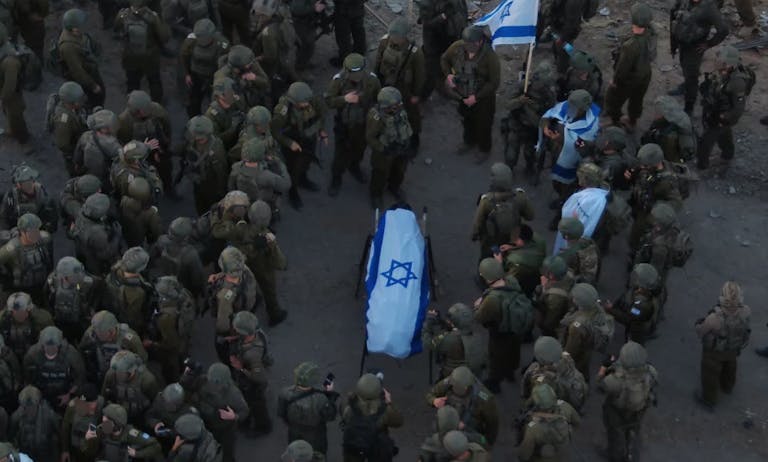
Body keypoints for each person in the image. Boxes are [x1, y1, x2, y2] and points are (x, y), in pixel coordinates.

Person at [441, 25, 501, 162]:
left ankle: (484, 149)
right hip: (462, 93)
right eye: (467, 43)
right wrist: (448, 75)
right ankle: (469, 141)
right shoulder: (457, 47)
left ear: (480, 42)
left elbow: (494, 82)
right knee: (466, 120)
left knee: (484, 125)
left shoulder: (490, 57)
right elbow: (444, 59)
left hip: (483, 99)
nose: (468, 47)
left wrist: (476, 97)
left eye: (472, 44)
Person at [325, 53, 381, 196]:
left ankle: (354, 166)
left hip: (363, 123)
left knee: (359, 149)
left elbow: (378, 99)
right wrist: (344, 99)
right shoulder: (338, 81)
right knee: (340, 154)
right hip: (344, 124)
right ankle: (336, 178)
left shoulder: (372, 80)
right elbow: (328, 101)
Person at [474, 258, 533, 392]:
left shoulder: (493, 299)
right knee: (513, 349)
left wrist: (477, 306)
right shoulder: (511, 281)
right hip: (516, 326)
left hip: (500, 331)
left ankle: (494, 382)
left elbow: (479, 317)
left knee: (495, 356)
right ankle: (510, 371)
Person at [227, 200, 288, 325]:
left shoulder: (240, 226)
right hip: (263, 267)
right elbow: (277, 258)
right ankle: (274, 314)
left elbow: (235, 247)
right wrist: (283, 264)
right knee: (269, 290)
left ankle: (255, 298)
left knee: (250, 283)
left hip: (247, 265)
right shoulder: (267, 237)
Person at [271, 81, 328, 210]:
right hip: (293, 142)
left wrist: (321, 130)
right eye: (303, 102)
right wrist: (290, 143)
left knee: (307, 161)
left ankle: (303, 179)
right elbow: (275, 131)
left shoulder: (312, 99)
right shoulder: (283, 110)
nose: (307, 104)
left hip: (309, 137)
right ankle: (293, 192)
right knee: (293, 169)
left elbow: (322, 114)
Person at [540, 90, 600, 212]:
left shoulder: (591, 126)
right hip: (556, 154)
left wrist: (560, 139)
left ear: (583, 110)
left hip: (572, 164)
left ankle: (562, 210)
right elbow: (550, 115)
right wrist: (545, 126)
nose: (569, 110)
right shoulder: (566, 106)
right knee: (556, 182)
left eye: (574, 108)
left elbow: (582, 147)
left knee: (567, 190)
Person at [597, 341, 658, 461]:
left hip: (617, 411)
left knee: (615, 434)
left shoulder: (615, 381)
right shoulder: (651, 372)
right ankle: (629, 448)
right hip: (639, 409)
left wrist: (604, 368)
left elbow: (600, 384)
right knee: (632, 429)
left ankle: (615, 456)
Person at [694, 281, 751, 409]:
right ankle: (727, 386)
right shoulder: (746, 311)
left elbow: (701, 332)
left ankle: (709, 399)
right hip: (734, 349)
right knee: (730, 366)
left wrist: (697, 325)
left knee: (710, 374)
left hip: (715, 353)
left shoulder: (714, 318)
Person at [697, 45, 753, 171]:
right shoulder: (724, 71)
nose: (717, 62)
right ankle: (728, 154)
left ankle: (702, 165)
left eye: (721, 61)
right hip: (717, 108)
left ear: (730, 64)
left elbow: (738, 109)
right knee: (724, 134)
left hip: (723, 116)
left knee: (706, 141)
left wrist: (722, 118)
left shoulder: (737, 83)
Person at [373, 18, 425, 151]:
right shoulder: (385, 42)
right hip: (386, 81)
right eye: (393, 35)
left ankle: (414, 136)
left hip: (405, 87)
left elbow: (420, 75)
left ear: (405, 36)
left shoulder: (414, 52)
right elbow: (378, 62)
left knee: (411, 112)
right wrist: (376, 80)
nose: (394, 38)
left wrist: (416, 94)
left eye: (398, 36)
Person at [669, 0, 728, 114]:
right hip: (682, 42)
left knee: (691, 75)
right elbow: (674, 16)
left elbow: (723, 30)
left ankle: (689, 106)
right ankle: (685, 86)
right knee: (685, 67)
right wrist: (674, 43)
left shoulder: (709, 7)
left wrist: (708, 44)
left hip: (695, 47)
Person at [603, 3, 655, 132]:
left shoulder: (630, 46)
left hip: (629, 79)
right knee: (637, 100)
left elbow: (622, 69)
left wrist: (615, 81)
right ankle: (632, 121)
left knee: (613, 98)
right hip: (645, 74)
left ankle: (615, 120)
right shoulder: (651, 33)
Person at [470, 163, 534, 263]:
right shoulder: (520, 196)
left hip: (492, 241)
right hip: (513, 238)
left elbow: (477, 224)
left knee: (486, 262)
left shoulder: (486, 201)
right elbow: (530, 216)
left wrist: (474, 235)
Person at [501, 60, 557, 174]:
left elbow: (551, 111)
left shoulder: (549, 93)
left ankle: (530, 168)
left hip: (533, 129)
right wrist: (519, 101)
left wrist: (545, 125)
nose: (540, 84)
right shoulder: (524, 85)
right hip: (517, 123)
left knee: (530, 153)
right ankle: (509, 169)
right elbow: (507, 104)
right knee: (511, 151)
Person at [207, 246, 262, 360]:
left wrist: (223, 336)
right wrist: (218, 276)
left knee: (221, 346)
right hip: (247, 308)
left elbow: (223, 324)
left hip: (235, 320)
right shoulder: (244, 270)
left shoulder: (225, 296)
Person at [626, 143, 683, 249]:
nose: (642, 167)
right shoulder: (649, 166)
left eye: (645, 166)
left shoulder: (667, 182)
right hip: (640, 205)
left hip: (649, 214)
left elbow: (677, 203)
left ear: (655, 164)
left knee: (638, 239)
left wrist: (656, 210)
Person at [365, 86, 413, 209]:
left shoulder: (399, 108)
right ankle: (376, 195)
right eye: (395, 105)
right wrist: (383, 148)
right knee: (380, 174)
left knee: (399, 171)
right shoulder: (376, 117)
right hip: (384, 151)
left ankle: (394, 187)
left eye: (399, 103)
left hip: (401, 147)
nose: (399, 106)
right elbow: (370, 137)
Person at [425, 366, 499, 446]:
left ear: (467, 386)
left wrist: (487, 443)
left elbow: (493, 423)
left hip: (469, 432)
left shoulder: (484, 398)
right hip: (448, 423)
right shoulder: (451, 381)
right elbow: (431, 394)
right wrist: (434, 401)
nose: (453, 388)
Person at [277, 361, 338, 455]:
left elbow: (281, 413)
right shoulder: (321, 399)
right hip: (316, 437)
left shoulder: (285, 393)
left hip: (294, 434)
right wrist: (329, 394)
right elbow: (330, 416)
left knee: (296, 455)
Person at [116, 90, 173, 192]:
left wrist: (165, 145)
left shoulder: (157, 110)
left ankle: (169, 189)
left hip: (158, 147)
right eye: (141, 111)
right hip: (139, 154)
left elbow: (166, 126)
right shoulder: (124, 121)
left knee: (166, 169)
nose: (145, 112)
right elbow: (125, 144)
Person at [114, 0, 171, 101]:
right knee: (154, 81)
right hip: (150, 57)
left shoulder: (123, 14)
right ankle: (157, 102)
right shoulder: (153, 17)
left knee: (132, 83)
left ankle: (132, 104)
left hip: (130, 56)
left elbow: (116, 28)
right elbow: (164, 37)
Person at [340, 373, 403, 462]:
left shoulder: (348, 405)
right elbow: (399, 421)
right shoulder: (384, 410)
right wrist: (389, 402)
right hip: (377, 448)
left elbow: (342, 413)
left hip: (353, 446)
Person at [228, 311, 272, 435]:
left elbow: (260, 378)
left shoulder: (252, 354)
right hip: (250, 372)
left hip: (253, 384)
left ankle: (263, 427)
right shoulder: (257, 333)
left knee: (257, 404)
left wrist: (241, 368)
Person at [22, 325, 86, 412]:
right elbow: (27, 378)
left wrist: (70, 395)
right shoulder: (32, 355)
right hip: (41, 395)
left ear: (59, 344)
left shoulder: (71, 354)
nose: (50, 349)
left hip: (64, 394)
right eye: (47, 346)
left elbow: (80, 377)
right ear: (41, 344)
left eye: (53, 346)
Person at [194, 362, 249, 462]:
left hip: (225, 429)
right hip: (208, 424)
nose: (213, 384)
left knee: (227, 453)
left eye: (216, 382)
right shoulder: (202, 381)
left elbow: (244, 411)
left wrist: (234, 416)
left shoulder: (233, 394)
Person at [559, 283, 614, 380]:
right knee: (584, 368)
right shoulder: (596, 306)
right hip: (588, 344)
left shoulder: (577, 325)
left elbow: (571, 349)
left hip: (580, 349)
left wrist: (563, 359)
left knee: (576, 371)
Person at [145, 276, 195, 383]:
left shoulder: (165, 317)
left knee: (170, 371)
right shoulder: (184, 296)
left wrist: (152, 343)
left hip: (172, 352)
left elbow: (170, 344)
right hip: (184, 340)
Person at [79, 310, 148, 386]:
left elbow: (142, 359)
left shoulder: (130, 339)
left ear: (111, 332)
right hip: (102, 370)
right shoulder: (92, 332)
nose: (97, 336)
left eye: (101, 335)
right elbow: (82, 348)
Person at [521, 336, 587, 412]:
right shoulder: (567, 358)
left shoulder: (538, 373)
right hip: (574, 399)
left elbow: (526, 388)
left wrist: (526, 404)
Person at [179, 18, 230, 117]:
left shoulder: (222, 44)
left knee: (216, 100)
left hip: (213, 75)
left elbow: (225, 64)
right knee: (194, 100)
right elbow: (184, 56)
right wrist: (187, 74)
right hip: (195, 74)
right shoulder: (191, 41)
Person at [422, 302, 486, 379]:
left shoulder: (450, 339)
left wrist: (428, 323)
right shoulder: (476, 336)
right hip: (473, 376)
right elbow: (455, 329)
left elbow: (428, 342)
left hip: (453, 377)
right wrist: (442, 322)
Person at [516, 383, 580, 462]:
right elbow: (577, 423)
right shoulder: (565, 406)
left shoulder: (533, 429)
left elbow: (524, 456)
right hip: (565, 456)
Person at [0, 213, 54, 304]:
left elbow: (49, 260)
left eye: (37, 230)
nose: (35, 234)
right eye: (31, 232)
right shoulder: (12, 249)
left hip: (42, 285)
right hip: (21, 290)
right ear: (22, 232)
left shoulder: (45, 239)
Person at [418, 0, 466, 99]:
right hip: (434, 43)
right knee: (431, 70)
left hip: (450, 39)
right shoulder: (428, 3)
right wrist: (443, 16)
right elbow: (427, 24)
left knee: (445, 66)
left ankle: (440, 85)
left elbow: (463, 12)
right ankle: (422, 95)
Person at [251, 2, 298, 102]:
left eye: (260, 15)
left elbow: (270, 56)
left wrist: (257, 59)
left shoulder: (268, 33)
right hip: (285, 57)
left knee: (275, 89)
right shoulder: (282, 19)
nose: (258, 17)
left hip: (275, 66)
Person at [57, 9, 105, 108]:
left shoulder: (75, 34)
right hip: (84, 78)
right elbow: (77, 72)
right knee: (96, 99)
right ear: (74, 29)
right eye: (81, 25)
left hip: (89, 68)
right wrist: (93, 86)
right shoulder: (68, 47)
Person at [82, 403, 163, 461]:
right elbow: (88, 452)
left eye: (107, 422)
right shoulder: (100, 429)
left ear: (117, 424)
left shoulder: (131, 434)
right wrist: (88, 440)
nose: (103, 424)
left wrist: (137, 454)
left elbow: (156, 446)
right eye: (103, 419)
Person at [149, 217, 206, 298]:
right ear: (186, 237)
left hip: (168, 277)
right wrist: (201, 290)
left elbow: (152, 256)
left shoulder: (161, 240)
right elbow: (197, 278)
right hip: (186, 286)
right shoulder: (191, 254)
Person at [183, 115, 229, 214]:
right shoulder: (192, 141)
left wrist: (221, 192)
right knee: (200, 208)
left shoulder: (216, 149)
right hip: (198, 182)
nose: (198, 139)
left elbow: (221, 173)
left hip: (211, 186)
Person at [227, 138, 291, 208]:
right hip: (262, 205)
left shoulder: (235, 168)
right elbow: (286, 185)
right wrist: (281, 164)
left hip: (243, 204)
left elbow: (231, 187)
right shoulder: (266, 175)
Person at [104, 247, 155, 336]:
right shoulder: (138, 292)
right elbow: (133, 317)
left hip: (113, 310)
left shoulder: (113, 273)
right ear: (141, 268)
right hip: (127, 322)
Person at [606, 264, 661, 345]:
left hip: (637, 331)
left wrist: (610, 310)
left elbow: (628, 318)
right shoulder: (653, 292)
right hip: (644, 320)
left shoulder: (641, 306)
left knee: (633, 344)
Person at [70, 193, 123, 276]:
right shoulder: (97, 233)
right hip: (94, 262)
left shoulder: (82, 213)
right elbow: (106, 253)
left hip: (82, 250)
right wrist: (117, 236)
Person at [633, 203, 686, 286]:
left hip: (651, 269)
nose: (652, 220)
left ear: (661, 224)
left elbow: (653, 273)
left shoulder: (660, 249)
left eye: (655, 219)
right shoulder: (670, 228)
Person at [101, 350, 159, 424]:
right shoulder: (111, 374)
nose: (117, 374)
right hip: (119, 414)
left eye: (121, 372)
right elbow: (104, 395)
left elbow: (154, 401)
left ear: (132, 370)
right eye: (116, 371)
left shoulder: (147, 380)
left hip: (141, 415)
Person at [8, 385, 61, 462]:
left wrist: (64, 451)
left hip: (46, 454)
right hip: (25, 454)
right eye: (25, 407)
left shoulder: (49, 415)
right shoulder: (16, 417)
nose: (28, 410)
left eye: (31, 406)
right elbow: (10, 438)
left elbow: (59, 433)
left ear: (38, 404)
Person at [73, 109, 122, 190]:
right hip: (105, 174)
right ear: (103, 128)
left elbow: (78, 153)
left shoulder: (86, 136)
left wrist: (77, 164)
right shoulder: (113, 145)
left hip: (88, 171)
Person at [0, 165, 58, 233]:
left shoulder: (43, 196)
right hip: (16, 232)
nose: (29, 185)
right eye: (25, 183)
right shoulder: (11, 197)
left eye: (30, 181)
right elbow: (4, 219)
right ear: (18, 185)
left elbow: (52, 222)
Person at [418, 406, 488, 461]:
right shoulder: (465, 438)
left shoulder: (431, 442)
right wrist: (465, 427)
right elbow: (483, 440)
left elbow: (424, 457)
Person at [0, 292, 53, 363]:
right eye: (16, 312)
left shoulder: (42, 320)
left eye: (23, 311)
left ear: (29, 309)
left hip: (34, 356)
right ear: (11, 312)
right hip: (11, 356)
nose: (20, 314)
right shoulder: (3, 319)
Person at [145, 383, 198, 453]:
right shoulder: (160, 399)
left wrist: (170, 432)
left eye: (170, 404)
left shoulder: (189, 413)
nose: (166, 405)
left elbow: (189, 436)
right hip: (158, 437)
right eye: (165, 402)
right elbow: (149, 415)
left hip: (176, 442)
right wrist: (155, 423)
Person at [641, 96, 696, 163]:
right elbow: (657, 124)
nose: (655, 113)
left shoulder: (671, 136)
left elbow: (675, 158)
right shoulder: (675, 116)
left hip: (673, 157)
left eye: (659, 111)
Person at [60, 383, 104, 462]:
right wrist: (65, 450)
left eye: (94, 407)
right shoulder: (72, 407)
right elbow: (65, 428)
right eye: (89, 408)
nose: (92, 412)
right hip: (76, 450)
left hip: (93, 452)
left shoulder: (102, 406)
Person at [0, 23, 29, 144]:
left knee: (15, 116)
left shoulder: (10, 60)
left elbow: (10, 86)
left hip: (12, 94)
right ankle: (14, 131)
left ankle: (23, 140)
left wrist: (2, 98)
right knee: (9, 113)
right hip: (5, 88)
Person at [52, 81, 88, 176]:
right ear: (71, 102)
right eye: (79, 100)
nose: (82, 101)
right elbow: (62, 144)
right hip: (73, 152)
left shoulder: (73, 107)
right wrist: (76, 153)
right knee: (76, 174)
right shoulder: (63, 120)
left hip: (78, 140)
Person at [533, 256, 574, 338]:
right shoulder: (568, 273)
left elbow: (550, 321)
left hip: (558, 322)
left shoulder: (554, 296)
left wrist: (544, 288)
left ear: (551, 276)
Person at [118, 177, 162, 247]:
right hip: (141, 236)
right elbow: (156, 230)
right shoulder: (151, 212)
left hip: (127, 232)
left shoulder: (124, 200)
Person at [205, 77, 246, 151]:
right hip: (224, 148)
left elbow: (244, 109)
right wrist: (232, 129)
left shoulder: (235, 101)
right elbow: (215, 141)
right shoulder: (211, 115)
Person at [556, 217, 600, 285]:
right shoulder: (588, 241)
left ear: (566, 236)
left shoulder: (567, 256)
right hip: (590, 279)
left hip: (579, 283)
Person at [331, 0, 365, 65]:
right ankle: (360, 51)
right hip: (358, 7)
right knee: (358, 30)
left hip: (344, 10)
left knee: (343, 35)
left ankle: (345, 59)